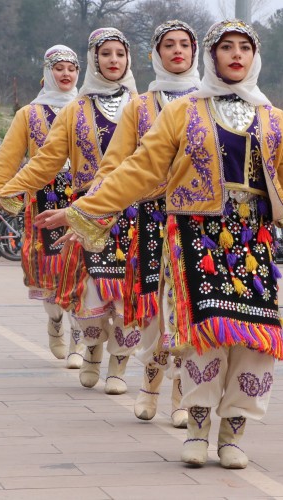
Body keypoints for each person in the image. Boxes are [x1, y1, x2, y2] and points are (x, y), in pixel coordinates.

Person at [35, 19, 283, 469]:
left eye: (244, 47)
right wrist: (85, 208)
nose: (236, 54)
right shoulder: (183, 112)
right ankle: (197, 427)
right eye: (225, 47)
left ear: (254, 56)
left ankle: (233, 433)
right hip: (195, 238)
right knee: (203, 336)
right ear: (211, 57)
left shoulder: (273, 119)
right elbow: (140, 169)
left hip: (252, 243)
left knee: (256, 339)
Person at [0, 29, 141, 395]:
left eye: (120, 53)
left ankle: (118, 363)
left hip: (130, 212)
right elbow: (30, 162)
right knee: (79, 288)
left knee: (126, 291)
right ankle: (84, 341)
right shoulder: (65, 111)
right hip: (64, 206)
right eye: (105, 54)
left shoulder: (143, 105)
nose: (113, 60)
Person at [86, 20, 201, 428]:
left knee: (188, 306)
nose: (177, 51)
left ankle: (181, 394)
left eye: (184, 44)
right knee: (154, 307)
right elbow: (115, 164)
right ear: (155, 54)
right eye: (168, 45)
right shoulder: (141, 106)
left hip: (198, 222)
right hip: (151, 220)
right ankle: (150, 383)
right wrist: (87, 208)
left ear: (195, 51)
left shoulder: (208, 103)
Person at [0, 45, 83, 364]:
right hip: (41, 203)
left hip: (82, 202)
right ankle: (56, 321)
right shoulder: (29, 115)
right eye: (59, 68)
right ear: (46, 73)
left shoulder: (87, 110)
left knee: (84, 273)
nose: (66, 74)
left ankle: (81, 339)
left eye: (72, 68)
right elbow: (7, 161)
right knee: (49, 278)